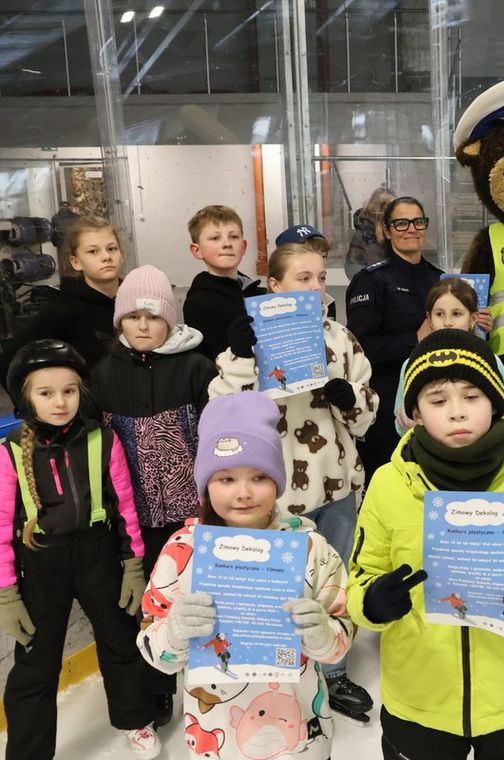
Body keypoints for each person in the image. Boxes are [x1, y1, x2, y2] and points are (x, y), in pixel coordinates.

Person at [346, 328, 504, 760]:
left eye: (472, 397)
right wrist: (374, 602)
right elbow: (360, 578)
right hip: (420, 699)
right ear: (413, 411)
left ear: (496, 403)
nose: (457, 413)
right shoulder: (389, 484)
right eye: (437, 400)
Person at [211, 242, 377, 720]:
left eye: (321, 277)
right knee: (280, 589)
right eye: (303, 278)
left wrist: (350, 399)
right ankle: (280, 671)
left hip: (337, 488)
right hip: (276, 497)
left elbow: (366, 418)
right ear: (275, 286)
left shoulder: (340, 338)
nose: (316, 287)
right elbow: (222, 412)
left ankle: (336, 671)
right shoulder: (247, 344)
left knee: (334, 585)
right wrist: (244, 358)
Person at [136, 391, 351, 760]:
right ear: (205, 484)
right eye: (226, 479)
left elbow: (340, 642)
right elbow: (153, 651)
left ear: (279, 481)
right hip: (217, 740)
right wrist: (173, 631)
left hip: (300, 738)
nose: (244, 493)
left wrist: (321, 634)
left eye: (259, 476)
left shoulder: (311, 549)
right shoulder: (182, 550)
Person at [0, 339, 159, 759]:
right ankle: (28, 751)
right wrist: (7, 593)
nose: (60, 402)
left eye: (69, 391)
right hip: (41, 562)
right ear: (26, 397)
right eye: (46, 393)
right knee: (36, 659)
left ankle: (135, 718)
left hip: (98, 554)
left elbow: (124, 505)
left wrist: (133, 564)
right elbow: (0, 528)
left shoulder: (102, 439)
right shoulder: (11, 450)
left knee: (120, 638)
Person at [89, 265, 216, 726]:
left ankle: (210, 681)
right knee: (151, 603)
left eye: (154, 316)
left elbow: (216, 432)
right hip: (135, 516)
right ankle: (159, 685)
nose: (143, 325)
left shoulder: (198, 367)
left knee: (195, 595)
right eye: (133, 316)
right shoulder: (103, 375)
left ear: (171, 319)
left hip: (191, 513)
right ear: (120, 320)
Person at [346, 195, 443, 477]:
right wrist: (415, 338)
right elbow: (360, 348)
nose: (411, 229)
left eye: (417, 222)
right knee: (389, 481)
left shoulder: (441, 280)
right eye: (401, 223)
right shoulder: (372, 280)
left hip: (434, 394)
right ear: (387, 231)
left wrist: (474, 321)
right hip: (388, 403)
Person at [0, 215, 124, 397]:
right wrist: (32, 411)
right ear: (76, 262)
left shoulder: (134, 302)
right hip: (88, 418)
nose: (106, 257)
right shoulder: (62, 310)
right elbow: (9, 360)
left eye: (111, 249)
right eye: (93, 251)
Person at [391, 277, 504, 435]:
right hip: (428, 452)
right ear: (429, 319)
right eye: (439, 314)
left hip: (482, 449)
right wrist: (407, 423)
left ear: (473, 318)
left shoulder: (490, 360)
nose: (447, 322)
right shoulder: (413, 363)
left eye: (456, 314)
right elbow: (400, 422)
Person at [182, 205, 266, 361]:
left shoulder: (259, 295)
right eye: (215, 238)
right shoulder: (198, 303)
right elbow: (209, 362)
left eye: (234, 237)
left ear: (243, 246)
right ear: (196, 250)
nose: (227, 244)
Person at [345, 186, 395, 279]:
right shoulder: (363, 235)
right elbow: (352, 266)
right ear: (380, 209)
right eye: (391, 208)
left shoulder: (393, 229)